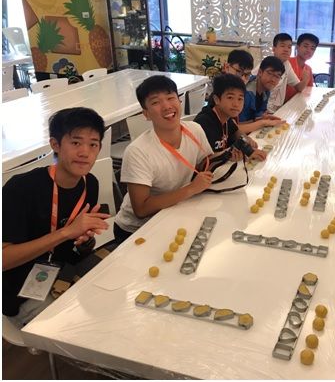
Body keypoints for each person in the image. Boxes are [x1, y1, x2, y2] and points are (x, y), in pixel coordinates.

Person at [3, 107, 110, 327]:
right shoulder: (21, 188)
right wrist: (66, 233)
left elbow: (75, 247)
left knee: (114, 295)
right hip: (21, 289)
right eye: (76, 142)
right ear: (55, 144)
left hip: (64, 271)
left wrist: (84, 241)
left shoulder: (90, 183)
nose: (85, 152)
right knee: (82, 326)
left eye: (93, 144)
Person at [114, 75, 215, 243]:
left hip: (175, 211)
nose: (167, 106)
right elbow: (141, 209)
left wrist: (232, 153)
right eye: (156, 102)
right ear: (146, 114)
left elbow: (205, 162)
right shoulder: (138, 151)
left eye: (170, 98)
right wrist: (191, 189)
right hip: (137, 230)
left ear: (179, 101)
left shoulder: (195, 130)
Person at [194, 73, 266, 161]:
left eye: (240, 99)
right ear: (216, 99)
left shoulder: (227, 118)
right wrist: (227, 154)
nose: (236, 104)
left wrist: (247, 142)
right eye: (230, 98)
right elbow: (201, 161)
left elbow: (237, 133)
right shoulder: (203, 123)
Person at [238, 55, 286, 134]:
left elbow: (254, 117)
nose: (273, 79)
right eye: (270, 73)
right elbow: (235, 128)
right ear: (260, 72)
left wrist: (262, 119)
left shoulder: (266, 90)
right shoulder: (245, 93)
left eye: (277, 76)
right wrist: (262, 122)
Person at [265, 33, 310, 113]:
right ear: (274, 49)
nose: (286, 50)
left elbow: (299, 87)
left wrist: (305, 79)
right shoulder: (266, 64)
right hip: (264, 111)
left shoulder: (287, 64)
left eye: (289, 47)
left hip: (278, 110)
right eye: (282, 46)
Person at [285, 33, 319, 102]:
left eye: (312, 48)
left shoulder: (308, 69)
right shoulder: (287, 62)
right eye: (305, 46)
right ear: (297, 47)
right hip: (283, 104)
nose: (309, 50)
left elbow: (309, 90)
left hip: (299, 103)